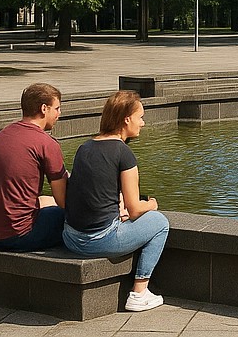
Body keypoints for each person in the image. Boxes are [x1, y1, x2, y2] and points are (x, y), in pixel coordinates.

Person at [63, 91, 171, 312]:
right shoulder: (123, 153)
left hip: (70, 238)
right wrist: (152, 204)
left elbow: (95, 193)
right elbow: (135, 209)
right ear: (126, 119)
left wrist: (117, 209)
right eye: (140, 117)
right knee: (160, 223)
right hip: (99, 241)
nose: (143, 123)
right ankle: (139, 292)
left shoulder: (85, 147)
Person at [0, 82, 69, 251]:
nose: (59, 114)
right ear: (44, 109)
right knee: (76, 217)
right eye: (57, 108)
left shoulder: (0, 136)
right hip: (19, 235)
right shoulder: (46, 143)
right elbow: (63, 201)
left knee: (46, 204)